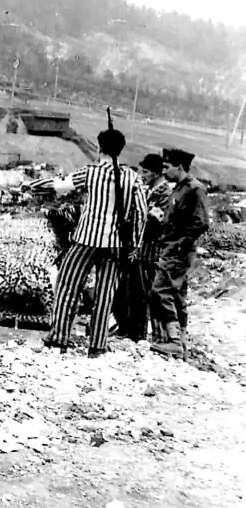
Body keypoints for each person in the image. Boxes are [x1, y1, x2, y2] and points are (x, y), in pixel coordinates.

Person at [24, 125, 147, 358]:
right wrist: (134, 245)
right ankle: (98, 345)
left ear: (99, 147)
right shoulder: (133, 178)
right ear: (120, 150)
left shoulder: (91, 172)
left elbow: (59, 184)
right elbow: (141, 213)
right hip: (116, 245)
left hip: (85, 240)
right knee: (105, 293)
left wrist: (32, 185)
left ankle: (59, 338)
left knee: (68, 286)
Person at [148, 147, 209, 359]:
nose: (164, 171)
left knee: (160, 290)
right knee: (177, 293)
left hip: (178, 250)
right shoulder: (181, 188)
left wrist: (179, 244)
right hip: (171, 247)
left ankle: (174, 341)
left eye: (167, 167)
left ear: (179, 167)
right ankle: (180, 341)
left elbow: (201, 222)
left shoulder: (194, 189)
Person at [112, 153, 171, 342]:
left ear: (156, 173)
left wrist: (136, 219)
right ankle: (128, 329)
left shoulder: (164, 194)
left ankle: (138, 334)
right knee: (130, 290)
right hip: (138, 249)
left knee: (141, 293)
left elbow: (155, 222)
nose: (142, 175)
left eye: (145, 172)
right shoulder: (150, 191)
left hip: (150, 250)